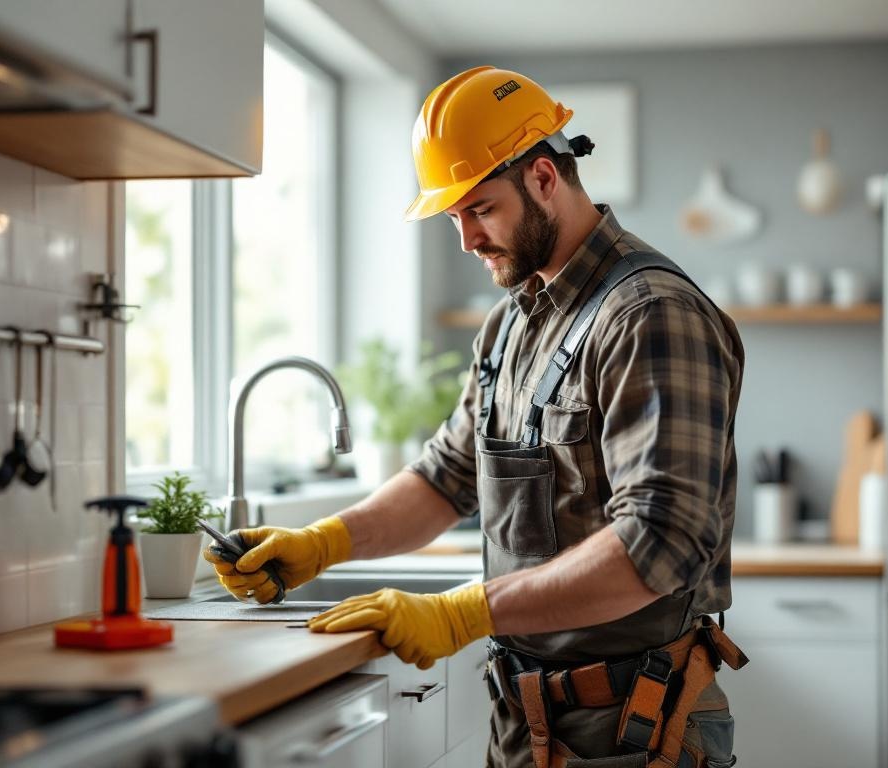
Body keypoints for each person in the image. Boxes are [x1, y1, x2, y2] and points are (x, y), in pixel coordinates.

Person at [205, 66, 748, 767]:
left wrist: (463, 611)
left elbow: (661, 542)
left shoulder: (649, 315)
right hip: (526, 723)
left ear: (546, 178)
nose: (466, 238)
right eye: (453, 215)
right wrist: (321, 544)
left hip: (638, 728)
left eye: (481, 209)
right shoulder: (508, 325)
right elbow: (447, 476)